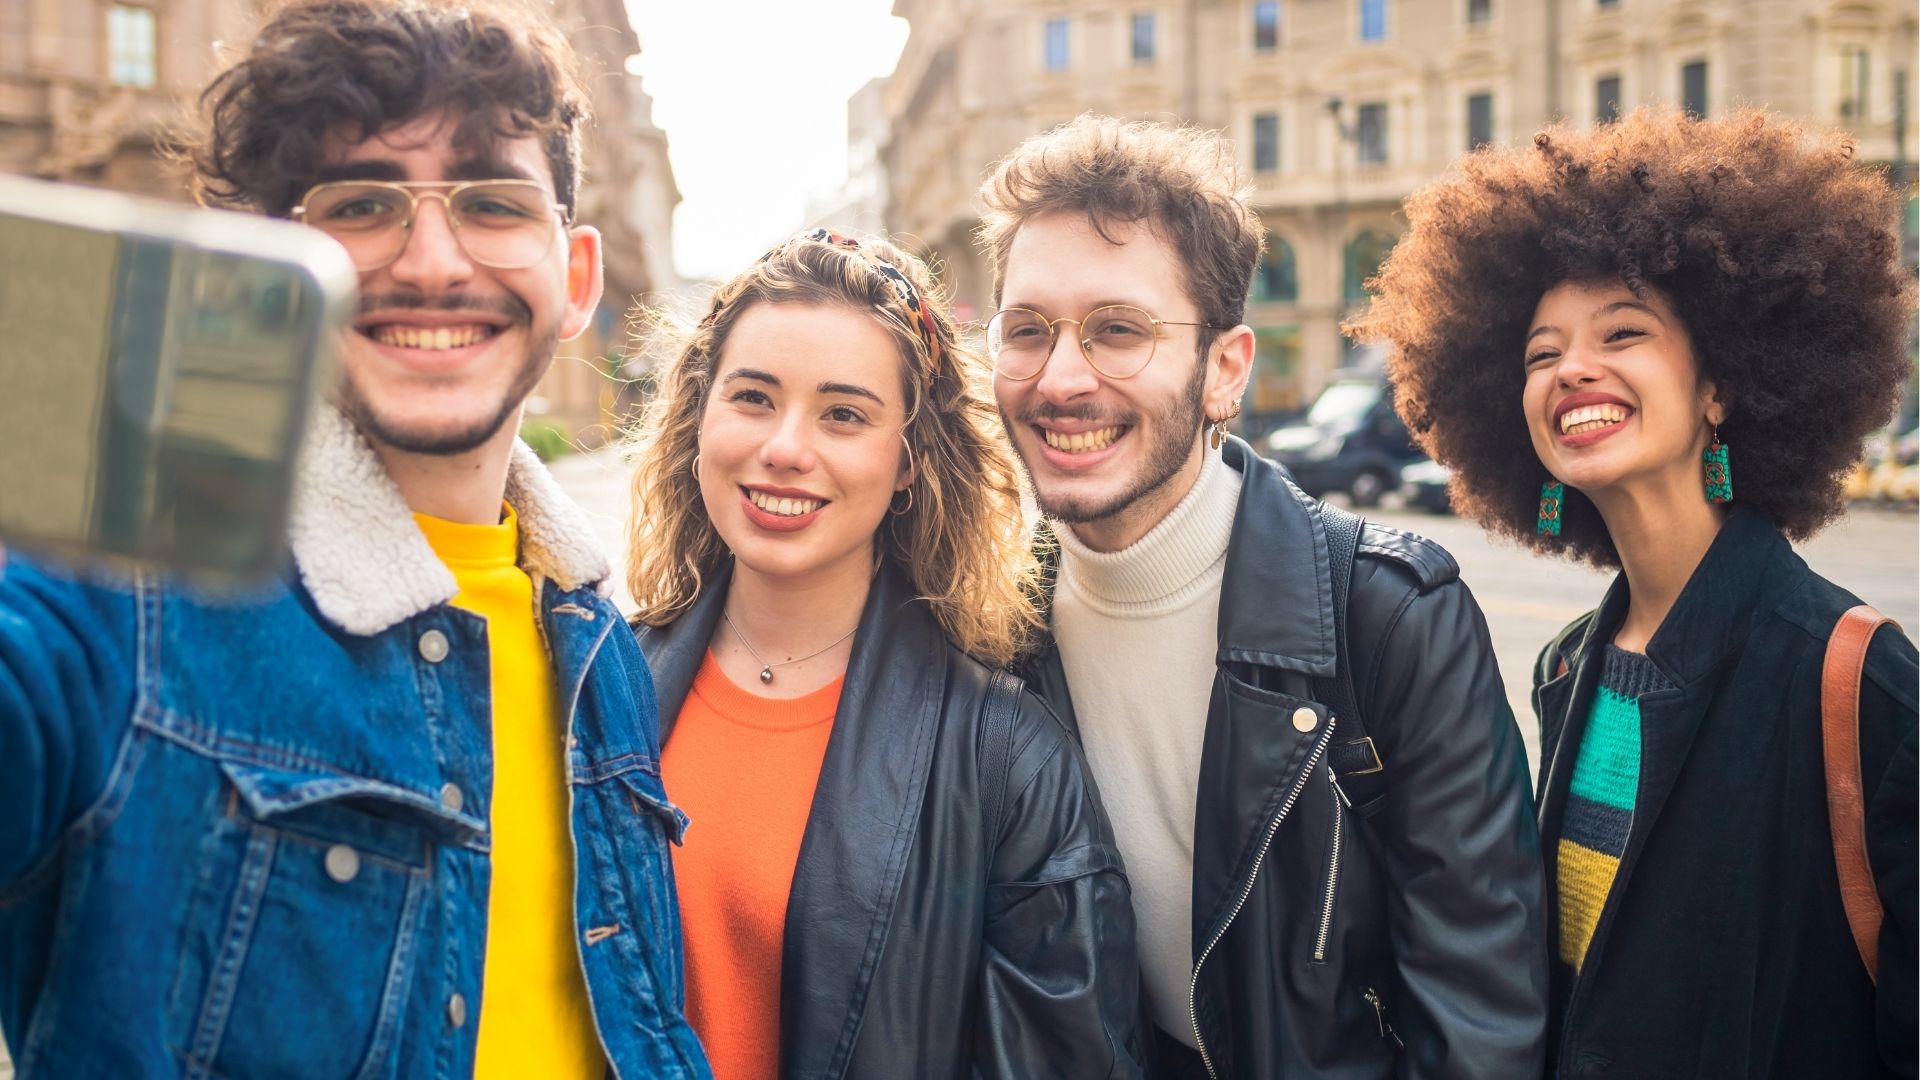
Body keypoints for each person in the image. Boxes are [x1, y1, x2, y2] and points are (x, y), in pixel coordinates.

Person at [0, 0, 709, 1075]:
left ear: (575, 279)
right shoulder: (120, 597)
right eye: (363, 203)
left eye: (490, 201)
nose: (432, 260)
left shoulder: (602, 647)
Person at [1352, 108, 1918, 1078]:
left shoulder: (1859, 680)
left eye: (1624, 331)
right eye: (1539, 354)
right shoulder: (1568, 666)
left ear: (1719, 388)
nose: (1572, 368)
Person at [978, 115, 1547, 1078]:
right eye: (1027, 330)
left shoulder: (1394, 616)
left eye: (1119, 330)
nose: (1061, 378)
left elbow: (1481, 1023)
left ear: (1226, 370)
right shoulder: (990, 628)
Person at [624, 228, 1143, 1078]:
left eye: (843, 414)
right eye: (753, 397)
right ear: (699, 417)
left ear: (908, 461)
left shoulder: (1008, 758)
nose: (787, 447)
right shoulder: (599, 685)